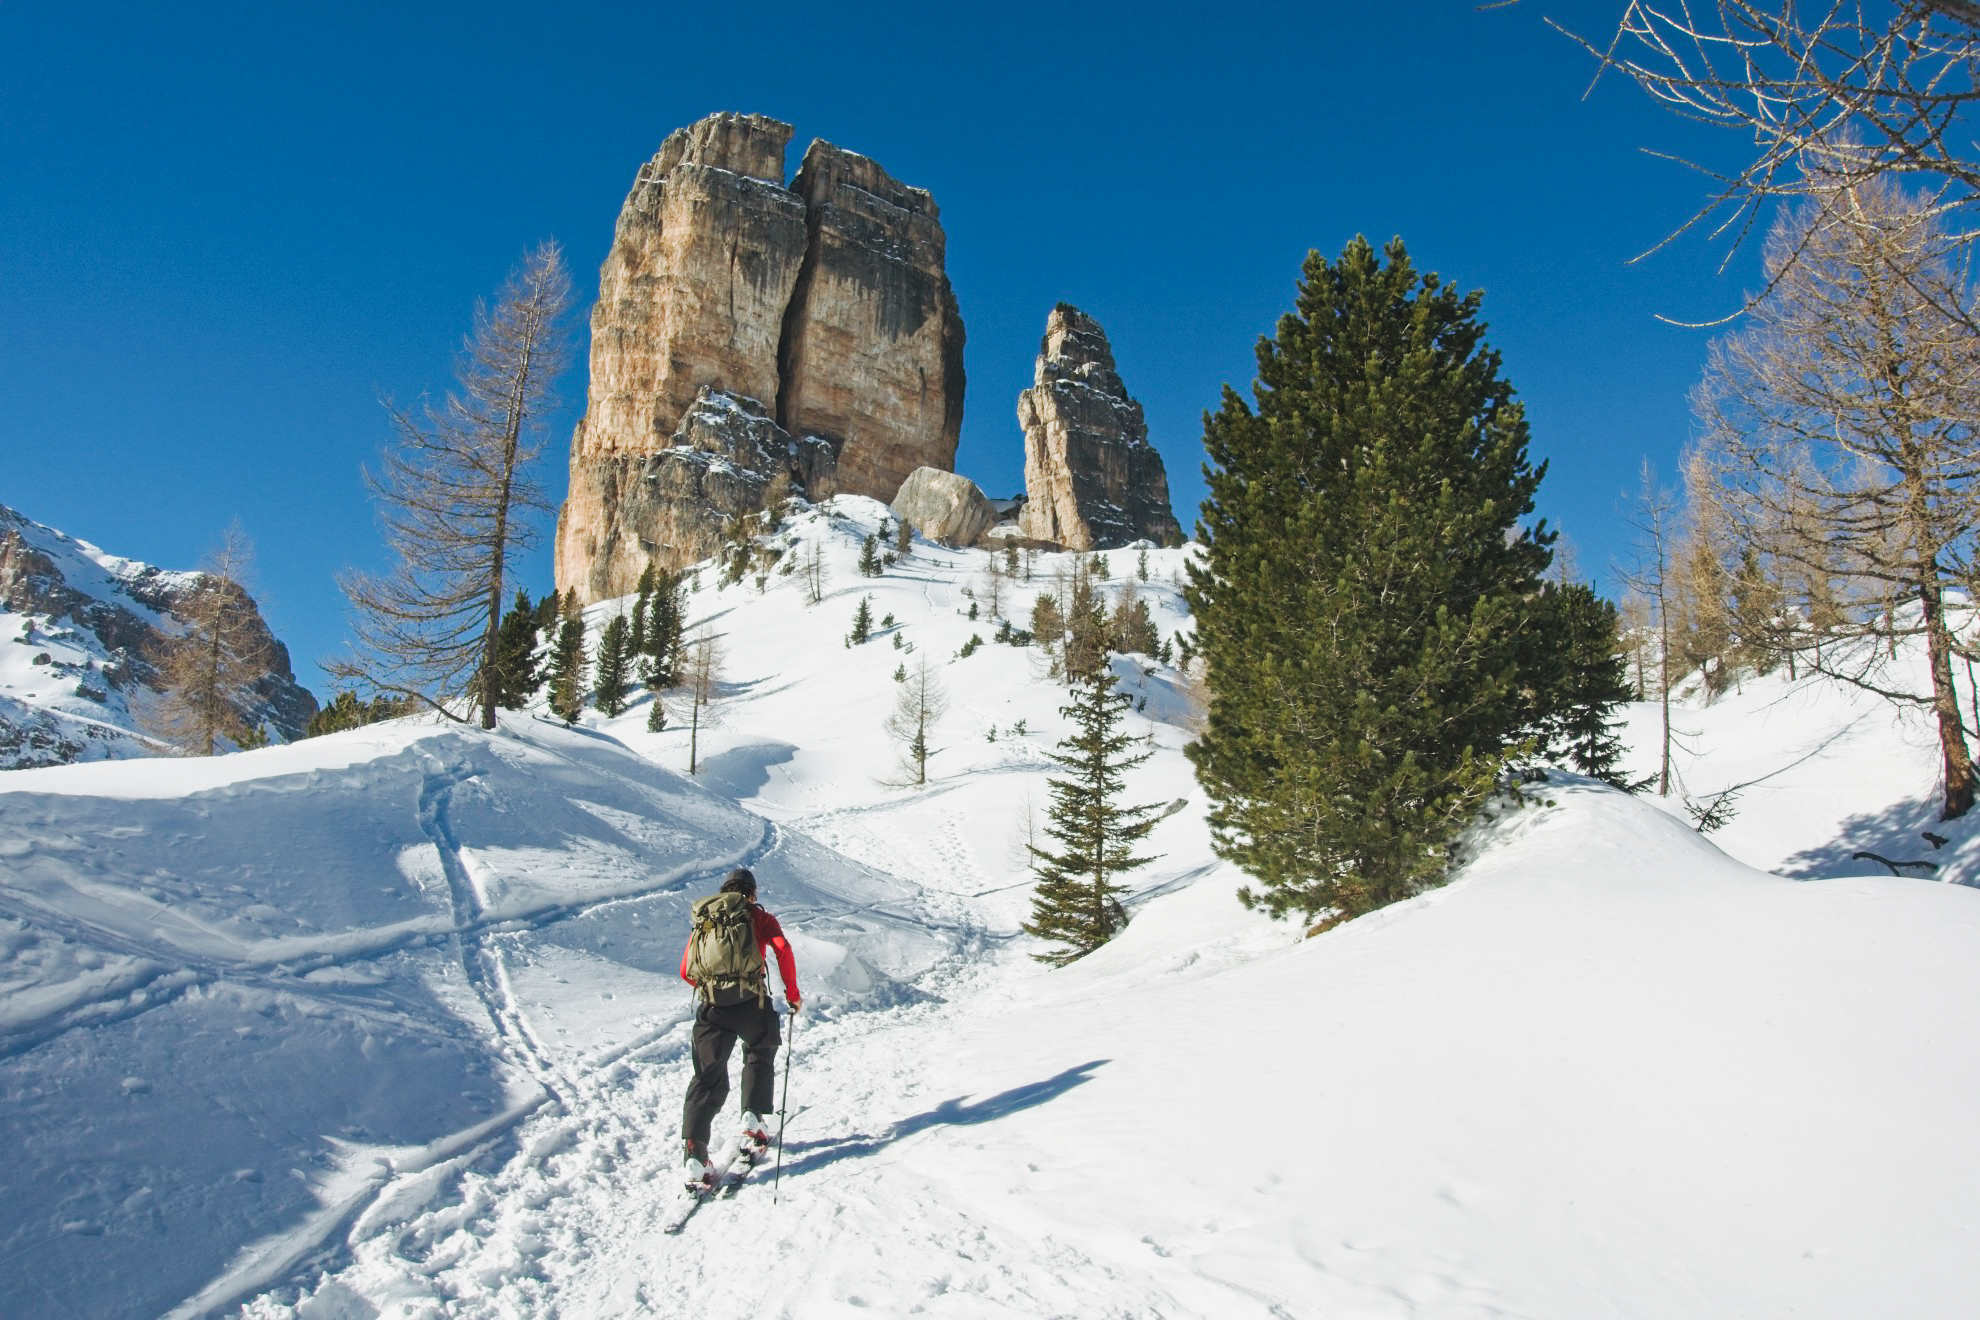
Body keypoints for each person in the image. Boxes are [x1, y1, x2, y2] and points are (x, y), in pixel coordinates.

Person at [678, 867, 801, 1188]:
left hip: (712, 1006)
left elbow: (685, 971)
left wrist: (714, 986)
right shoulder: (758, 917)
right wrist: (792, 995)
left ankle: (695, 1151)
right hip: (752, 1001)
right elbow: (783, 949)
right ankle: (754, 1116)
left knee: (707, 1076)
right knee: (761, 1050)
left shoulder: (707, 919)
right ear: (752, 892)